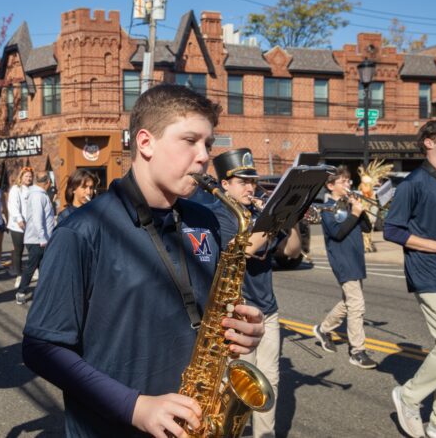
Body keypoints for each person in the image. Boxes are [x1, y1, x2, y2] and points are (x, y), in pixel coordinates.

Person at [21, 84, 265, 437]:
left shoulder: (206, 218)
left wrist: (242, 329)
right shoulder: (83, 230)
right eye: (190, 141)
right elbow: (40, 347)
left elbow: (211, 311)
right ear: (145, 143)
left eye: (208, 145)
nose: (203, 156)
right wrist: (134, 406)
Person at [212, 149, 302, 438]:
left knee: (270, 382)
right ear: (225, 184)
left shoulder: (257, 214)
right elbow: (246, 249)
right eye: (243, 181)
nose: (250, 187)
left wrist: (293, 218)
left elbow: (292, 252)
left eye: (253, 181)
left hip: (268, 309)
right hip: (238, 313)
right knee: (239, 384)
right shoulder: (221, 214)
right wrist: (275, 219)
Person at [384, 120, 436, 438]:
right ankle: (409, 395)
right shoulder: (414, 183)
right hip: (428, 274)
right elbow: (393, 230)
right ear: (429, 143)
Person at [312, 166, 377, 369]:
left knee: (348, 301)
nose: (348, 184)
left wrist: (360, 210)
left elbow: (366, 228)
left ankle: (323, 329)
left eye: (349, 181)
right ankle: (357, 351)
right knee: (357, 304)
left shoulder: (348, 204)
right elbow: (337, 233)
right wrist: (354, 214)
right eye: (343, 182)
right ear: (331, 185)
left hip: (356, 258)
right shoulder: (327, 208)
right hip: (342, 260)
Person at [15, 171, 55, 305]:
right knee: (31, 267)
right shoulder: (39, 196)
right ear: (48, 182)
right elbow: (38, 219)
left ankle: (44, 293)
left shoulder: (37, 194)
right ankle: (21, 291)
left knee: (43, 267)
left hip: (38, 239)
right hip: (38, 240)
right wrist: (43, 238)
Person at [7, 167, 34, 286]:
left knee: (33, 250)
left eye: (30, 176)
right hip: (18, 226)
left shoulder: (33, 190)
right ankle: (19, 275)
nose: (28, 178)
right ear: (21, 177)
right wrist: (19, 219)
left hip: (31, 226)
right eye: (26, 176)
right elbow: (13, 206)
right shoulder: (16, 189)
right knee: (19, 251)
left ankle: (33, 271)